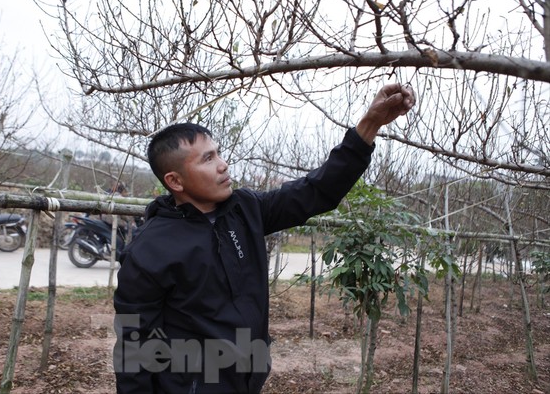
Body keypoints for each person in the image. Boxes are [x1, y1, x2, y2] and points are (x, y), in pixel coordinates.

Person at [113, 83, 416, 393]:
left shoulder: (245, 210)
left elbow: (316, 191)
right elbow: (133, 346)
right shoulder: (149, 250)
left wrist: (370, 124)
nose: (223, 165)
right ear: (175, 180)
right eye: (207, 159)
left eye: (218, 153)